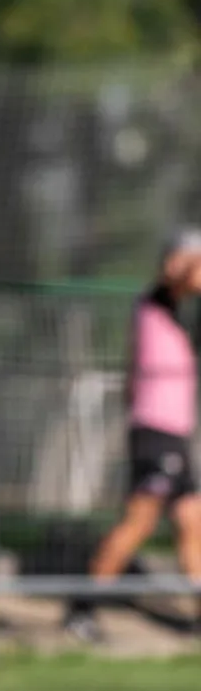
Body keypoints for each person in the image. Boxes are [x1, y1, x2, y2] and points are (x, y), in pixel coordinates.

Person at [65, 228, 201, 642]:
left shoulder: (176, 316)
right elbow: (182, 277)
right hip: (155, 434)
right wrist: (188, 260)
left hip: (173, 435)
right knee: (139, 523)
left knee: (192, 523)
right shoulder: (155, 301)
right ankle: (82, 609)